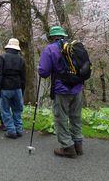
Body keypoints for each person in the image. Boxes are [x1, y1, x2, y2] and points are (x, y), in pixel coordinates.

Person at [38, 26, 83, 158]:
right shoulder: (75, 46)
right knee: (75, 117)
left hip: (61, 89)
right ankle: (78, 145)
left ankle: (68, 147)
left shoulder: (50, 49)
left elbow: (44, 72)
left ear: (51, 37)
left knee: (61, 117)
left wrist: (40, 68)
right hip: (78, 88)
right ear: (64, 36)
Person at [0, 38, 26, 139]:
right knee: (17, 109)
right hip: (17, 87)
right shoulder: (21, 59)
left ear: (8, 47)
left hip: (5, 87)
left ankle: (11, 130)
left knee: (5, 110)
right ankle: (19, 129)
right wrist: (22, 89)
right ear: (17, 49)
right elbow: (23, 77)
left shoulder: (2, 57)